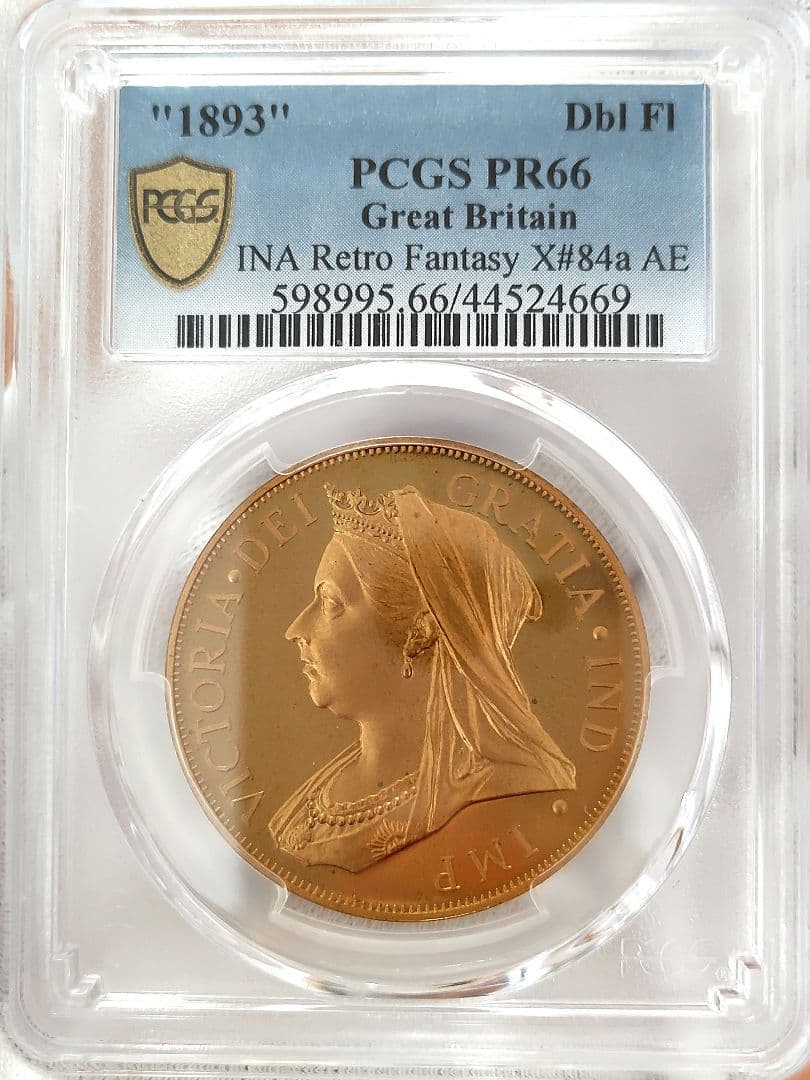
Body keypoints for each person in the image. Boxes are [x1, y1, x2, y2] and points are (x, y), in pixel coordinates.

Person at [269, 482, 577, 872]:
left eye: (330, 602)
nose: (295, 629)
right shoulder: (313, 799)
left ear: (420, 632)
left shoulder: (505, 794)